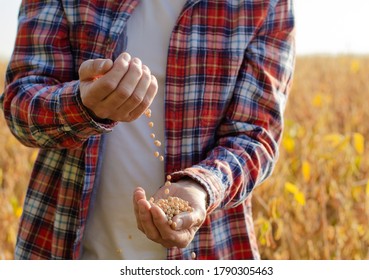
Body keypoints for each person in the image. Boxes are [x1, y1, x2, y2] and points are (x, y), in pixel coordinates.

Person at [0, 0, 295, 260]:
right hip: (64, 246)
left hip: (208, 251)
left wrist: (202, 187)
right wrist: (81, 104)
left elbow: (255, 134)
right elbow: (19, 106)